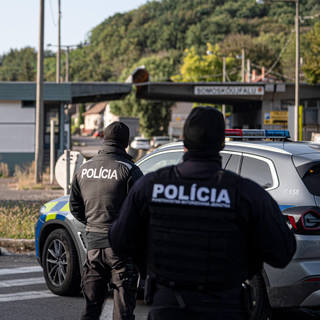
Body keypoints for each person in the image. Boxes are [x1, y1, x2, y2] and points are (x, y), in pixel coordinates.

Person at [109, 106, 297, 320]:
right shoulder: (245, 193)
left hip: (168, 307)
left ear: (184, 141)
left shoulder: (150, 187)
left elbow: (119, 241)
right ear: (222, 144)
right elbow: (283, 252)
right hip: (224, 308)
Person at [69, 121, 143, 320]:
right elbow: (142, 212)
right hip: (120, 249)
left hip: (93, 247)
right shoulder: (129, 170)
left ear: (104, 139)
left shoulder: (83, 169)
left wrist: (93, 225)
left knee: (91, 308)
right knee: (123, 311)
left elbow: (75, 207)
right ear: (126, 143)